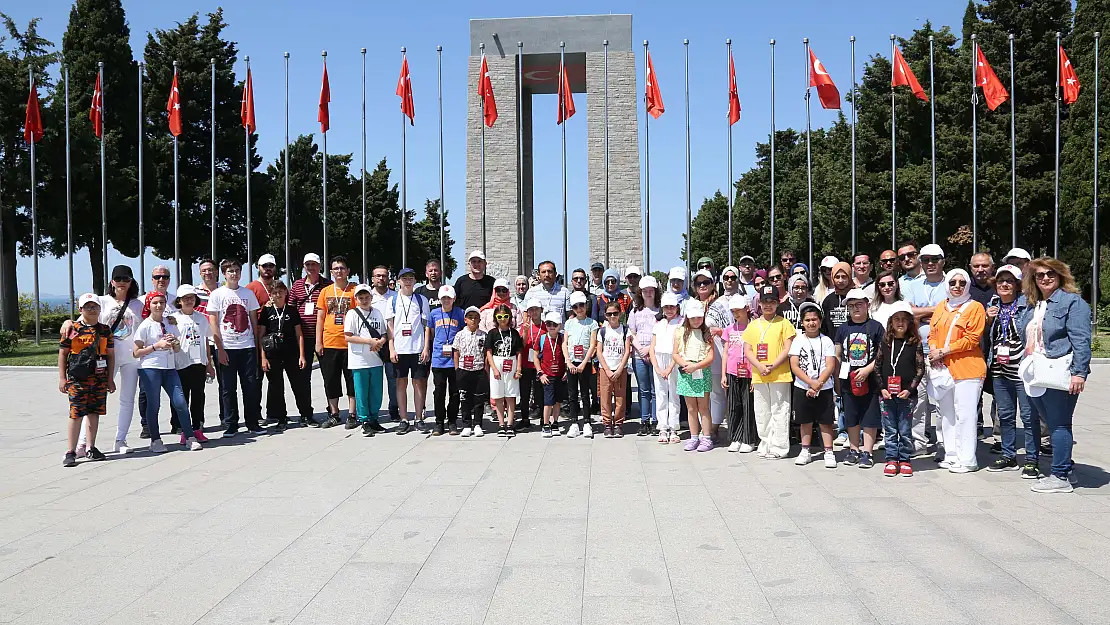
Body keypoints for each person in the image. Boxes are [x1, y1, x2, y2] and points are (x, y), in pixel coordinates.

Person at [1017, 257, 1091, 493]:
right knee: (1051, 422)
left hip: (1060, 371)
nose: (1045, 278)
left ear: (1060, 276)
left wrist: (1079, 374)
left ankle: (1059, 476)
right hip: (1036, 372)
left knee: (1059, 424)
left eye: (1051, 274)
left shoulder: (1072, 303)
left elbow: (1081, 340)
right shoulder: (1033, 304)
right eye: (1040, 275)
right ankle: (1067, 469)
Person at [64, 266, 142, 456]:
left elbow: (158, 313)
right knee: (89, 401)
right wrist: (67, 322)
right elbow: (84, 318)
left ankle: (120, 439)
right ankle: (82, 443)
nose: (122, 282)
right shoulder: (102, 301)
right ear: (112, 282)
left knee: (127, 400)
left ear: (132, 281)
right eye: (118, 278)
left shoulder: (138, 304)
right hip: (103, 359)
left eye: (126, 278)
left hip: (131, 357)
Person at [928, 269, 986, 474]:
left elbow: (972, 339)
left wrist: (945, 350)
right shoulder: (941, 307)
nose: (957, 286)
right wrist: (934, 350)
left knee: (966, 414)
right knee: (946, 414)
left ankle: (968, 459)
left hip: (968, 368)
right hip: (943, 369)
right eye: (953, 282)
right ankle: (952, 455)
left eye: (962, 282)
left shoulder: (975, 307)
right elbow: (933, 333)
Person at [135, 292, 202, 453]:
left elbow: (177, 347)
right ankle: (155, 440)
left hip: (170, 368)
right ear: (149, 306)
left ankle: (189, 436)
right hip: (150, 368)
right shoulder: (145, 325)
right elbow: (136, 352)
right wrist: (156, 346)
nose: (159, 306)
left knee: (180, 402)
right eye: (155, 303)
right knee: (154, 404)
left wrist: (174, 343)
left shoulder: (170, 322)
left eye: (162, 302)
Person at [983, 265, 1031, 474]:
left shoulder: (1027, 305)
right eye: (1001, 280)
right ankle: (1008, 455)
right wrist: (989, 318)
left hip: (1021, 369)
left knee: (1029, 417)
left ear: (1018, 285)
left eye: (1009, 281)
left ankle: (1032, 458)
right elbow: (988, 336)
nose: (1004, 284)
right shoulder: (993, 304)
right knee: (1005, 415)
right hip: (999, 369)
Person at [207, 259, 264, 437]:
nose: (234, 274)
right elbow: (213, 322)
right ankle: (231, 423)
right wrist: (220, 348)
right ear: (224, 273)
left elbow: (253, 320)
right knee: (228, 388)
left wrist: (256, 345)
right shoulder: (217, 294)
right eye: (230, 271)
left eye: (237, 270)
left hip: (246, 346)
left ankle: (252, 422)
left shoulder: (248, 294)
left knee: (250, 385)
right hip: (227, 347)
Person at [59, 294, 116, 466]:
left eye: (95, 306)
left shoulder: (105, 330)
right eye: (87, 306)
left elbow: (111, 355)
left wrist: (110, 378)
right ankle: (71, 450)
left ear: (100, 309)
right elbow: (63, 353)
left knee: (94, 412)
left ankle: (91, 447)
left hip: (98, 378)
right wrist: (62, 378)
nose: (92, 309)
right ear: (80, 310)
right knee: (76, 413)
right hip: (78, 378)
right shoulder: (73, 328)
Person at [903, 243, 948, 457]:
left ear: (942, 261)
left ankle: (943, 443)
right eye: (926, 260)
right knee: (918, 399)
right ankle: (918, 442)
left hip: (943, 352)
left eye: (934, 259)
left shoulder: (951, 283)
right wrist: (937, 311)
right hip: (918, 350)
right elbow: (908, 312)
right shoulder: (913, 284)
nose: (930, 264)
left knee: (941, 401)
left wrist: (922, 313)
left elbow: (953, 311)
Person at [743, 285, 797, 459]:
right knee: (762, 410)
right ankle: (765, 442)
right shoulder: (753, 325)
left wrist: (773, 365)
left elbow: (788, 347)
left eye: (772, 302)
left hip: (779, 373)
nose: (768, 305)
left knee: (780, 409)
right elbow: (748, 349)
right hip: (759, 374)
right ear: (759, 303)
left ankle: (780, 446)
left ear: (778, 302)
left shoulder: (784, 323)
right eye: (765, 302)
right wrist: (759, 366)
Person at [872, 301, 924, 477]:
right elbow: (877, 367)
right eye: (896, 319)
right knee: (890, 428)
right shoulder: (885, 342)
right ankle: (891, 459)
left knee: (904, 428)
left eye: (904, 319)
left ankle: (905, 459)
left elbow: (920, 368)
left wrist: (910, 389)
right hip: (886, 395)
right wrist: (882, 389)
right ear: (891, 322)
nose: (900, 323)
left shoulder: (914, 343)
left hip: (906, 396)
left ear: (909, 322)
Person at [834, 289, 885, 468]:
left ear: (867, 305)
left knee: (869, 416)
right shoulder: (843, 328)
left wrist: (867, 370)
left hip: (870, 378)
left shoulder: (876, 327)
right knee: (851, 415)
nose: (855, 308)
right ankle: (853, 449)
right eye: (851, 305)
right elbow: (838, 354)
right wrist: (839, 376)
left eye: (859, 304)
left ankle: (867, 451)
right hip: (849, 377)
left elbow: (881, 354)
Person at [788, 302, 837, 468]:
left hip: (825, 387)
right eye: (807, 320)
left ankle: (829, 451)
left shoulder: (827, 341)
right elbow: (794, 365)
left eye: (814, 319)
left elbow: (830, 365)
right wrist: (810, 383)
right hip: (803, 386)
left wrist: (818, 383)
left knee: (825, 421)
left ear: (820, 321)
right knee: (805, 420)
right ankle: (805, 450)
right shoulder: (798, 340)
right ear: (802, 322)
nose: (811, 323)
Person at [258, 281, 312, 432]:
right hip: (273, 354)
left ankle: (306, 415)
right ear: (271, 294)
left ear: (285, 293)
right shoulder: (266, 311)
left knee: (299, 385)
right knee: (276, 387)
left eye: (281, 292)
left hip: (291, 353)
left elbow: (299, 334)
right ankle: (281, 418)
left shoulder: (292, 311)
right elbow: (261, 335)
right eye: (274, 292)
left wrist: (302, 355)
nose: (278, 295)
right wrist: (263, 357)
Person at [315, 256, 358, 429]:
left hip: (350, 343)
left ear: (348, 271)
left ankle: (352, 414)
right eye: (335, 268)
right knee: (331, 380)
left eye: (342, 268)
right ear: (331, 272)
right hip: (330, 343)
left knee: (351, 381)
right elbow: (320, 317)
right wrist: (319, 342)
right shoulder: (325, 291)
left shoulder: (354, 290)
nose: (339, 271)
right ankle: (334, 414)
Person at [389, 267, 432, 434]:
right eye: (404, 278)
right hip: (400, 349)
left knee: (419, 383)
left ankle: (419, 418)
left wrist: (426, 347)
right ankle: (404, 418)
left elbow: (427, 326)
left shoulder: (421, 300)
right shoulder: (392, 300)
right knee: (401, 383)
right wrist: (392, 348)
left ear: (415, 280)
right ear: (399, 281)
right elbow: (390, 327)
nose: (408, 281)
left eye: (411, 278)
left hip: (417, 348)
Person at [288, 253, 329, 425]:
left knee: (329, 375)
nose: (311, 268)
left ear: (320, 266)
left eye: (314, 264)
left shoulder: (327, 284)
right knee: (302, 378)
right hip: (302, 337)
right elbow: (290, 308)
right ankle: (305, 412)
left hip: (323, 337)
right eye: (308, 265)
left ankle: (332, 410)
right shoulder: (297, 285)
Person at [344, 284, 390, 437]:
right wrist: (369, 341)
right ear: (356, 299)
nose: (364, 300)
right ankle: (364, 420)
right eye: (361, 298)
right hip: (359, 360)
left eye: (367, 297)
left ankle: (374, 419)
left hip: (376, 359)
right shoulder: (352, 314)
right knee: (362, 392)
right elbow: (348, 336)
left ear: (371, 298)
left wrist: (379, 343)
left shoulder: (377, 312)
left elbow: (384, 334)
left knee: (376, 392)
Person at [691, 269, 731, 442]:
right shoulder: (692, 305)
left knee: (716, 393)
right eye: (698, 283)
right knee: (701, 394)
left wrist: (719, 331)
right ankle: (703, 427)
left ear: (713, 284)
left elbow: (732, 331)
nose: (702, 286)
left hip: (717, 356)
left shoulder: (721, 305)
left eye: (706, 282)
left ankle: (713, 428)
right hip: (696, 357)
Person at [170, 285, 214, 441]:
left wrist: (209, 363)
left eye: (191, 298)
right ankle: (183, 429)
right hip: (181, 363)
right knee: (182, 398)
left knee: (198, 396)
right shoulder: (173, 318)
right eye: (185, 298)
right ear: (179, 301)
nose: (189, 301)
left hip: (198, 363)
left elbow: (206, 341)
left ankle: (197, 428)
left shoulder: (201, 318)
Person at [674, 301, 716, 451]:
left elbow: (711, 357)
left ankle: (707, 437)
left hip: (701, 370)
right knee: (691, 407)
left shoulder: (707, 333)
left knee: (703, 407)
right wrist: (685, 365)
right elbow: (675, 353)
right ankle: (693, 437)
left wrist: (696, 366)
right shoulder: (680, 332)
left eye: (699, 317)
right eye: (693, 318)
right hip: (686, 372)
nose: (696, 321)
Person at [721, 294, 758, 453]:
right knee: (733, 405)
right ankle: (735, 437)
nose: (736, 314)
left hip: (749, 373)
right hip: (732, 371)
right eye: (733, 311)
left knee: (748, 405)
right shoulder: (729, 329)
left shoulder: (754, 327)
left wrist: (755, 377)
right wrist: (723, 374)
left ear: (747, 309)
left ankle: (749, 439)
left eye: (739, 310)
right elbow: (725, 352)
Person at [429, 285, 465, 435]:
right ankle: (438, 422)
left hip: (455, 359)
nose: (446, 300)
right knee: (439, 392)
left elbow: (463, 333)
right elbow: (431, 333)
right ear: (439, 299)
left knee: (455, 392)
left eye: (449, 297)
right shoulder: (434, 314)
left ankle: (452, 421)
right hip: (438, 359)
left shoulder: (460, 313)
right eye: (443, 298)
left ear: (454, 298)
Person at [563, 290, 599, 437]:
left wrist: (585, 362)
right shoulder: (569, 323)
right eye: (576, 306)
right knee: (572, 394)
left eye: (582, 305)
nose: (579, 309)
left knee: (585, 393)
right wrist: (568, 362)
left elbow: (592, 344)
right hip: (571, 362)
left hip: (585, 363)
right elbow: (564, 343)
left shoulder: (592, 323)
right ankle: (573, 422)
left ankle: (587, 422)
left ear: (586, 305)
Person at [486, 303, 524, 437]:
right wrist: (494, 368)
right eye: (500, 316)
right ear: (496, 317)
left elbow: (519, 352)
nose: (503, 319)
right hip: (497, 363)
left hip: (511, 362)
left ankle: (510, 423)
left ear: (510, 317)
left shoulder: (514, 333)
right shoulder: (492, 333)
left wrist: (518, 368)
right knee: (498, 395)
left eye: (505, 316)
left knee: (510, 395)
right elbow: (489, 352)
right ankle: (501, 424)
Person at [628, 276, 660, 436]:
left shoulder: (660, 310)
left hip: (654, 354)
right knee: (643, 390)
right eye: (645, 291)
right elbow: (631, 333)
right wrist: (641, 348)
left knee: (655, 390)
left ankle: (655, 421)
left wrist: (650, 349)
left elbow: (662, 333)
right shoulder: (635, 311)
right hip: (639, 355)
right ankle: (644, 420)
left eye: (651, 290)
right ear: (640, 293)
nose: (648, 293)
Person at [651, 292, 684, 444]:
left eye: (672, 307)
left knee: (674, 395)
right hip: (659, 359)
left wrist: (671, 366)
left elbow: (680, 347)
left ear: (677, 307)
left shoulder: (681, 323)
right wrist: (657, 367)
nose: (669, 310)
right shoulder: (658, 324)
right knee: (661, 394)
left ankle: (673, 427)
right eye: (666, 307)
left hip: (674, 360)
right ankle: (662, 426)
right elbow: (652, 348)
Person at [596, 301, 633, 438]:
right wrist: (607, 369)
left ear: (620, 314)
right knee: (605, 397)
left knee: (620, 397)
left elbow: (627, 350)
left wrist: (619, 369)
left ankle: (618, 424)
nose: (612, 316)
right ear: (605, 315)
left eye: (615, 313)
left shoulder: (625, 330)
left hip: (620, 369)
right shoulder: (603, 331)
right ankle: (607, 424)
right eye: (609, 314)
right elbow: (599, 352)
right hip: (605, 369)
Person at [369, 265, 401, 422]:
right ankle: (372, 412)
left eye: (384, 276)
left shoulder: (396, 296)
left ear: (388, 278)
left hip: (390, 342)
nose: (381, 278)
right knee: (373, 381)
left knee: (393, 380)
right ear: (373, 279)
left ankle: (394, 410)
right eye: (378, 276)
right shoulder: (367, 296)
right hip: (371, 343)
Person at [453, 306, 488, 437]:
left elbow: (486, 353)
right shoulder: (460, 335)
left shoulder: (483, 335)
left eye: (475, 318)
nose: (473, 320)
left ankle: (478, 424)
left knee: (479, 398)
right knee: (465, 398)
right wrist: (457, 369)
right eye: (470, 317)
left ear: (479, 320)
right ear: (465, 319)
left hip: (478, 370)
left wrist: (485, 369)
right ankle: (466, 424)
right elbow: (456, 352)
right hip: (463, 370)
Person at [534, 311, 568, 436]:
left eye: (554, 324)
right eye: (548, 324)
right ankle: (546, 424)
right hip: (547, 376)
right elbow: (536, 356)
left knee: (558, 401)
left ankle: (555, 423)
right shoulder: (542, 338)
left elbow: (565, 356)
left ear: (559, 325)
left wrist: (566, 370)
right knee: (548, 402)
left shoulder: (562, 338)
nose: (551, 326)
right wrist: (540, 373)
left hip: (560, 375)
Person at [517, 298, 545, 430]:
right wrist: (526, 333)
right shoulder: (524, 326)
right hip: (526, 364)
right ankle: (524, 418)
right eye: (531, 310)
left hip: (540, 365)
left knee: (540, 393)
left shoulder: (546, 326)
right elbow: (521, 346)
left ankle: (543, 418)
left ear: (541, 310)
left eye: (536, 309)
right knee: (525, 393)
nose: (534, 312)